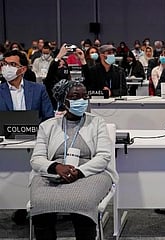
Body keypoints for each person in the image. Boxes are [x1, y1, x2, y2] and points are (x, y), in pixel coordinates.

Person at [29, 80, 118, 240]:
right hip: (52, 173)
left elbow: (103, 157)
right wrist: (56, 167)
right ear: (64, 100)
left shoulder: (97, 123)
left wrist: (79, 172)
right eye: (76, 97)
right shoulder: (47, 126)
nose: (82, 101)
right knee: (41, 203)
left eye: (85, 97)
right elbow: (36, 159)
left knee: (82, 202)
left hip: (91, 173)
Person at [0, 50, 53, 121]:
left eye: (12, 64)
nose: (7, 67)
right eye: (4, 64)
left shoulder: (39, 89)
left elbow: (48, 116)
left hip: (34, 131)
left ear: (23, 69)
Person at [43, 45, 72, 111]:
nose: (62, 67)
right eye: (59, 65)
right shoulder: (48, 84)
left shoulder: (70, 88)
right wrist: (58, 57)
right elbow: (51, 71)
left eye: (64, 65)